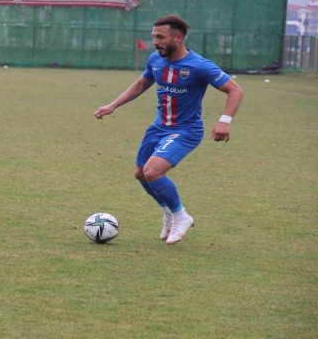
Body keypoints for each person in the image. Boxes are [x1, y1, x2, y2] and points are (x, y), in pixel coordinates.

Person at [94, 15, 244, 245]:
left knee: (153, 171)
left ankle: (181, 217)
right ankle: (169, 214)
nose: (155, 41)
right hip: (158, 127)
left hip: (186, 130)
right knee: (141, 174)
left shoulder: (200, 66)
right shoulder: (156, 59)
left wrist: (224, 121)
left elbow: (235, 90)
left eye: (160, 37)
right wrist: (112, 105)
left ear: (178, 37)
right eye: (153, 36)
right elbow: (141, 84)